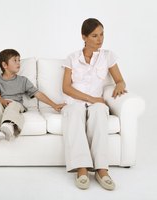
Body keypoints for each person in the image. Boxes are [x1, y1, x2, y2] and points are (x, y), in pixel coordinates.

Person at [61, 18, 127, 190]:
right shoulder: (72, 58)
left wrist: (120, 85)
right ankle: (82, 168)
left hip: (97, 103)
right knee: (75, 113)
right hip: (75, 101)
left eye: (102, 34)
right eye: (94, 35)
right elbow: (66, 88)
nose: (100, 39)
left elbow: (119, 80)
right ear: (84, 37)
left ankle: (101, 170)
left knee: (99, 111)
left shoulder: (107, 56)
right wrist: (91, 99)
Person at [0, 49, 65, 143]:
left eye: (19, 60)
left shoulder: (23, 80)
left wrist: (54, 105)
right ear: (5, 65)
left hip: (14, 103)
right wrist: (2, 101)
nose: (18, 63)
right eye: (15, 60)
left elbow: (38, 94)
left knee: (13, 105)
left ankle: (8, 125)